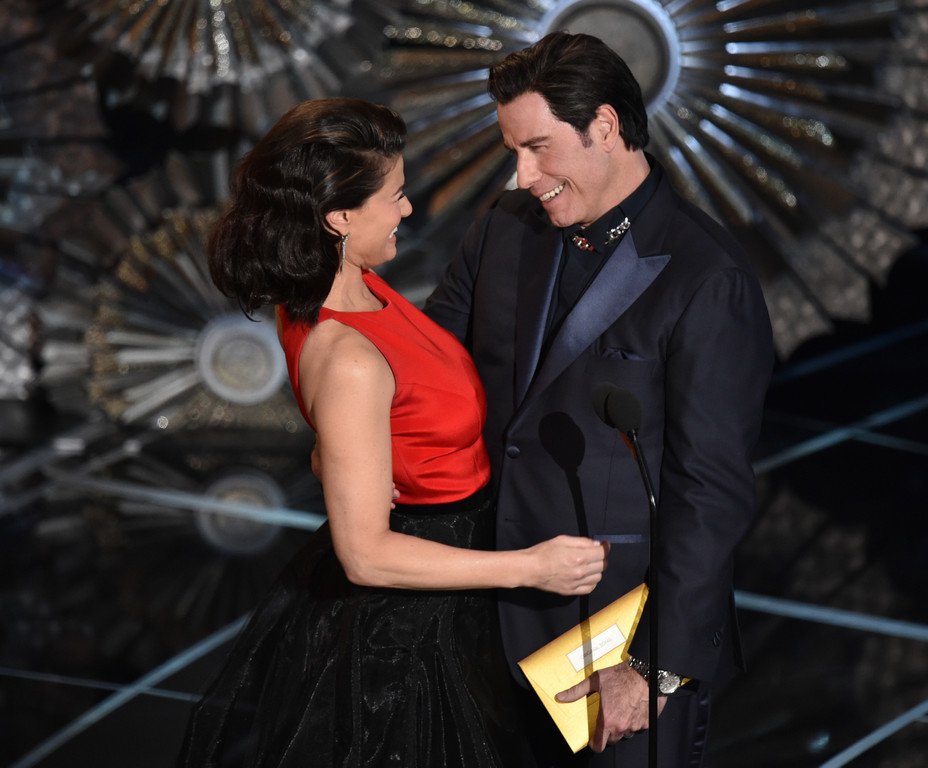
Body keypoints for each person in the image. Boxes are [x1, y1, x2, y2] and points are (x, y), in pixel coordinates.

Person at [176, 97, 608, 768]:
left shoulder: (347, 287)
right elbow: (365, 555)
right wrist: (532, 567)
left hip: (453, 572)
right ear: (340, 218)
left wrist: (349, 456)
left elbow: (349, 436)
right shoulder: (347, 355)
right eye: (395, 196)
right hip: (415, 624)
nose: (407, 209)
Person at [424, 32, 775, 766]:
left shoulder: (707, 278)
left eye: (538, 149)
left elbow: (710, 492)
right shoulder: (503, 228)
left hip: (614, 646)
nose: (523, 176)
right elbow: (430, 370)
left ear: (605, 126)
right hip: (479, 616)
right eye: (513, 152)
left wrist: (653, 667)